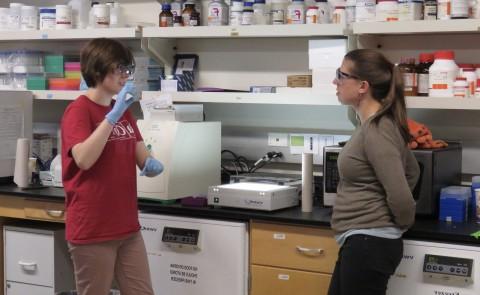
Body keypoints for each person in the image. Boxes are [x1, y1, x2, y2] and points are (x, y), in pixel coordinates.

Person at [61, 38, 163, 295]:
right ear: (98, 69)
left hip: (127, 226)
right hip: (93, 227)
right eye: (120, 68)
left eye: (128, 68)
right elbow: (84, 159)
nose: (126, 75)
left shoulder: (124, 111)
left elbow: (141, 155)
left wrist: (151, 162)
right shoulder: (79, 111)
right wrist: (111, 117)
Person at [328, 49, 420, 295]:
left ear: (362, 86)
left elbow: (400, 193)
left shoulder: (378, 129)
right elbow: (412, 171)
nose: (335, 81)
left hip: (369, 242)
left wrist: (395, 223)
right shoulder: (371, 126)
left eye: (341, 75)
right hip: (362, 241)